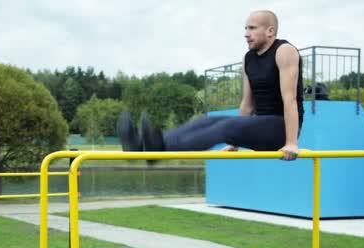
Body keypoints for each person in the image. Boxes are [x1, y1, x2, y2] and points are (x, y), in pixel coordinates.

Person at [117, 10, 303, 161]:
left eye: (252, 28)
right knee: (206, 121)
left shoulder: (284, 51)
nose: (246, 34)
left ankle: (158, 149)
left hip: (280, 129)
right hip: (260, 125)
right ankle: (141, 144)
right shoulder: (248, 58)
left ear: (270, 31)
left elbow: (290, 99)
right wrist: (235, 142)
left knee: (225, 128)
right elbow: (247, 104)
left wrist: (291, 142)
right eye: (246, 28)